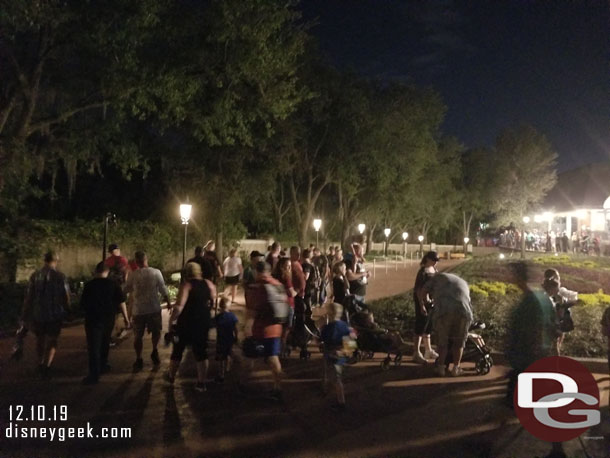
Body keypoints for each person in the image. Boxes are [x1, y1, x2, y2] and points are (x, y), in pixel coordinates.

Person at [165, 262, 216, 391]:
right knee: (201, 352)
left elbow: (179, 306)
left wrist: (171, 322)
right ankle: (201, 382)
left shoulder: (187, 286)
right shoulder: (209, 284)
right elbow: (212, 302)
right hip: (203, 322)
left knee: (178, 350)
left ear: (187, 272)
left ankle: (171, 377)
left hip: (186, 323)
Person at [241, 261, 288, 401]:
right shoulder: (278, 285)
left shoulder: (257, 287)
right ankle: (277, 387)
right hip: (275, 328)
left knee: (249, 357)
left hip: (259, 328)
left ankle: (244, 385)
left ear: (257, 271)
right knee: (274, 358)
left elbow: (251, 310)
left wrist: (247, 326)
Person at [21, 251, 70, 379]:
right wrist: (68, 310)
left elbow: (29, 296)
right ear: (56, 260)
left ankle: (40, 362)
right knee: (52, 339)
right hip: (55, 313)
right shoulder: (60, 276)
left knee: (40, 338)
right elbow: (65, 296)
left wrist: (25, 312)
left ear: (45, 260)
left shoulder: (35, 275)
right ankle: (47, 366)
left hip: (38, 312)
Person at [81, 262, 129, 385]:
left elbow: (83, 304)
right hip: (108, 319)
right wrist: (126, 318)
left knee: (93, 346)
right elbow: (121, 302)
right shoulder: (113, 284)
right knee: (105, 342)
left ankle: (94, 373)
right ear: (107, 272)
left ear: (96, 271)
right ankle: (103, 364)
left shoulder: (89, 285)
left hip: (93, 319)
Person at [124, 251, 171, 372]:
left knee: (138, 336)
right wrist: (169, 302)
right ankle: (154, 350)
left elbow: (126, 289)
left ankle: (139, 358)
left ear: (136, 262)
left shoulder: (133, 275)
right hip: (153, 308)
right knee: (156, 331)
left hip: (139, 310)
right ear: (146, 259)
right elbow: (162, 288)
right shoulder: (156, 272)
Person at [420, 272, 473, 377]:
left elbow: (423, 292)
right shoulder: (461, 281)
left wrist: (427, 302)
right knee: (459, 341)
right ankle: (456, 368)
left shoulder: (434, 279)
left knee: (442, 340)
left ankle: (440, 368)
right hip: (464, 311)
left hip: (444, 311)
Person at [320, 302, 355, 411]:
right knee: (334, 374)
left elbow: (320, 340)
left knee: (336, 379)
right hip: (342, 354)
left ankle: (341, 402)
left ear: (329, 313)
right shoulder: (345, 325)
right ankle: (326, 389)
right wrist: (346, 351)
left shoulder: (327, 328)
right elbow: (351, 341)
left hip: (331, 354)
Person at [542, 269, 578, 356]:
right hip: (551, 327)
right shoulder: (552, 297)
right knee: (554, 347)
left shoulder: (545, 296)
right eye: (557, 276)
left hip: (551, 326)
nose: (559, 278)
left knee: (553, 347)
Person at [412, 251, 439, 364]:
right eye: (433, 260)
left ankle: (428, 350)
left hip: (431, 301)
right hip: (422, 301)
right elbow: (418, 290)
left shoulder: (434, 271)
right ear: (427, 259)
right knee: (420, 325)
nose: (435, 263)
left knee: (428, 326)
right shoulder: (422, 272)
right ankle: (416, 352)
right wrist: (421, 305)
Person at [104, 244, 129, 342]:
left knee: (113, 311)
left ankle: (111, 333)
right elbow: (126, 273)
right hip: (119, 286)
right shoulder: (122, 259)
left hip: (109, 288)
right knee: (119, 308)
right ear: (117, 250)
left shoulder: (107, 261)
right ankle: (123, 325)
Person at [272, 257, 297, 356]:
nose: (289, 268)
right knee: (286, 329)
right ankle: (282, 349)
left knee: (278, 328)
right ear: (282, 266)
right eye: (288, 266)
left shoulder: (274, 277)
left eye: (290, 266)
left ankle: (276, 348)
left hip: (277, 305)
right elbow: (291, 293)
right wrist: (297, 292)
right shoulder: (286, 278)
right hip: (287, 305)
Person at [214, 296, 238, 382]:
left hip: (221, 339)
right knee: (228, 352)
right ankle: (228, 365)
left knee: (221, 357)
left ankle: (221, 374)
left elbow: (214, 325)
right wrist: (236, 336)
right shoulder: (232, 316)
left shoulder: (218, 317)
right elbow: (235, 328)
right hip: (230, 338)